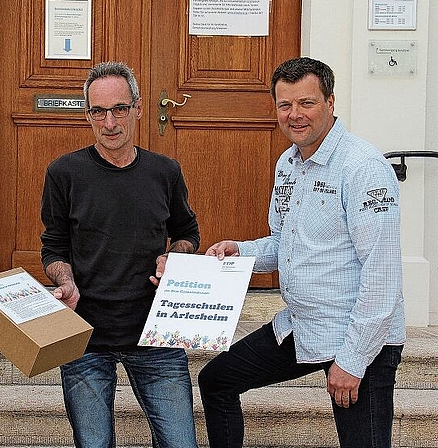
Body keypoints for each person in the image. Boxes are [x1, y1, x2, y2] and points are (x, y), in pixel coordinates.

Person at [198, 57, 406, 448]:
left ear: (330, 102)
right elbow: (283, 243)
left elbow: (382, 276)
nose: (295, 115)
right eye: (284, 105)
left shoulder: (363, 167)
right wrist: (237, 252)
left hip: (360, 337)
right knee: (217, 380)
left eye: (306, 103)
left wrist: (353, 359)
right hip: (303, 325)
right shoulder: (287, 165)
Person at [40, 61, 201, 448]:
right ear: (88, 114)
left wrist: (175, 257)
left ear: (138, 108)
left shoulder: (165, 171)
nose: (109, 122)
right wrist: (64, 280)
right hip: (85, 335)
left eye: (119, 109)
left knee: (181, 443)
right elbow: (53, 246)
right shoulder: (64, 172)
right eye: (98, 111)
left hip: (156, 333)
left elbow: (187, 233)